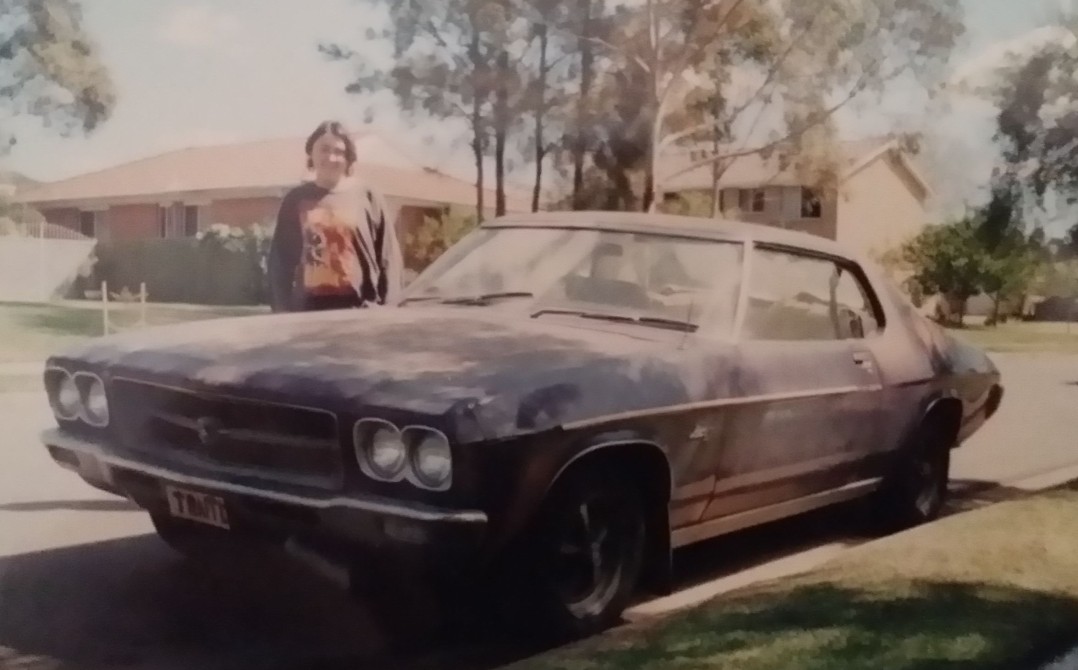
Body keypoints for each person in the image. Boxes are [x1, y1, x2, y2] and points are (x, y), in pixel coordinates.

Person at [267, 120, 403, 312]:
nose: (331, 157)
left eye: (339, 152)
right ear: (311, 153)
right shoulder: (295, 200)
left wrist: (389, 307)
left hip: (362, 312)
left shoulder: (368, 197)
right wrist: (282, 310)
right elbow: (281, 262)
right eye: (324, 149)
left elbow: (388, 258)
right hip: (307, 314)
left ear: (348, 158)